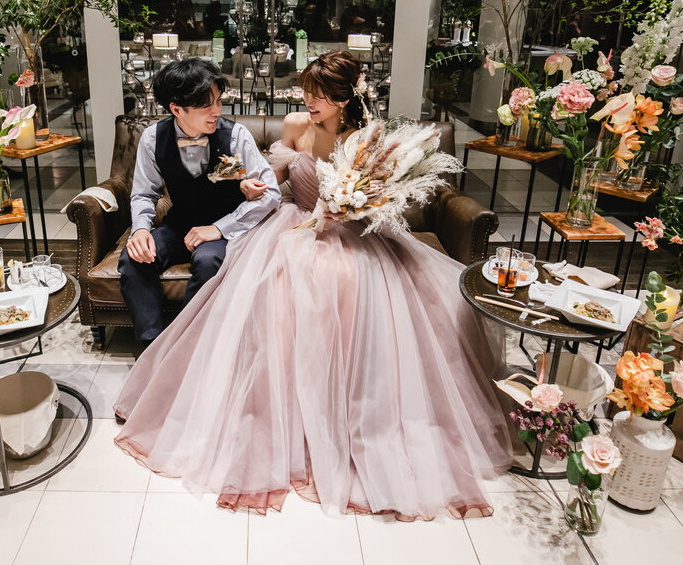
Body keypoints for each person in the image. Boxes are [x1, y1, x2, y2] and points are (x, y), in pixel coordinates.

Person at [114, 51, 513, 521]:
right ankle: (165, 361)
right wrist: (245, 190)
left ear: (344, 99)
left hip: (344, 231)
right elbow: (270, 184)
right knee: (237, 275)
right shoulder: (284, 126)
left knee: (337, 277)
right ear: (176, 108)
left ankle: (341, 406)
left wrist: (347, 205)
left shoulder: (364, 138)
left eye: (318, 94)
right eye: (306, 91)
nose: (307, 100)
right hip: (291, 223)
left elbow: (374, 196)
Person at [119, 58, 280, 345]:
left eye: (218, 101)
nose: (217, 111)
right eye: (206, 105)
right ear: (176, 109)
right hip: (178, 225)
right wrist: (141, 229)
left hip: (224, 230)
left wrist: (218, 228)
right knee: (133, 259)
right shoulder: (152, 138)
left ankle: (187, 347)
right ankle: (153, 346)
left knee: (208, 261)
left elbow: (271, 194)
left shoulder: (235, 135)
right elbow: (144, 193)